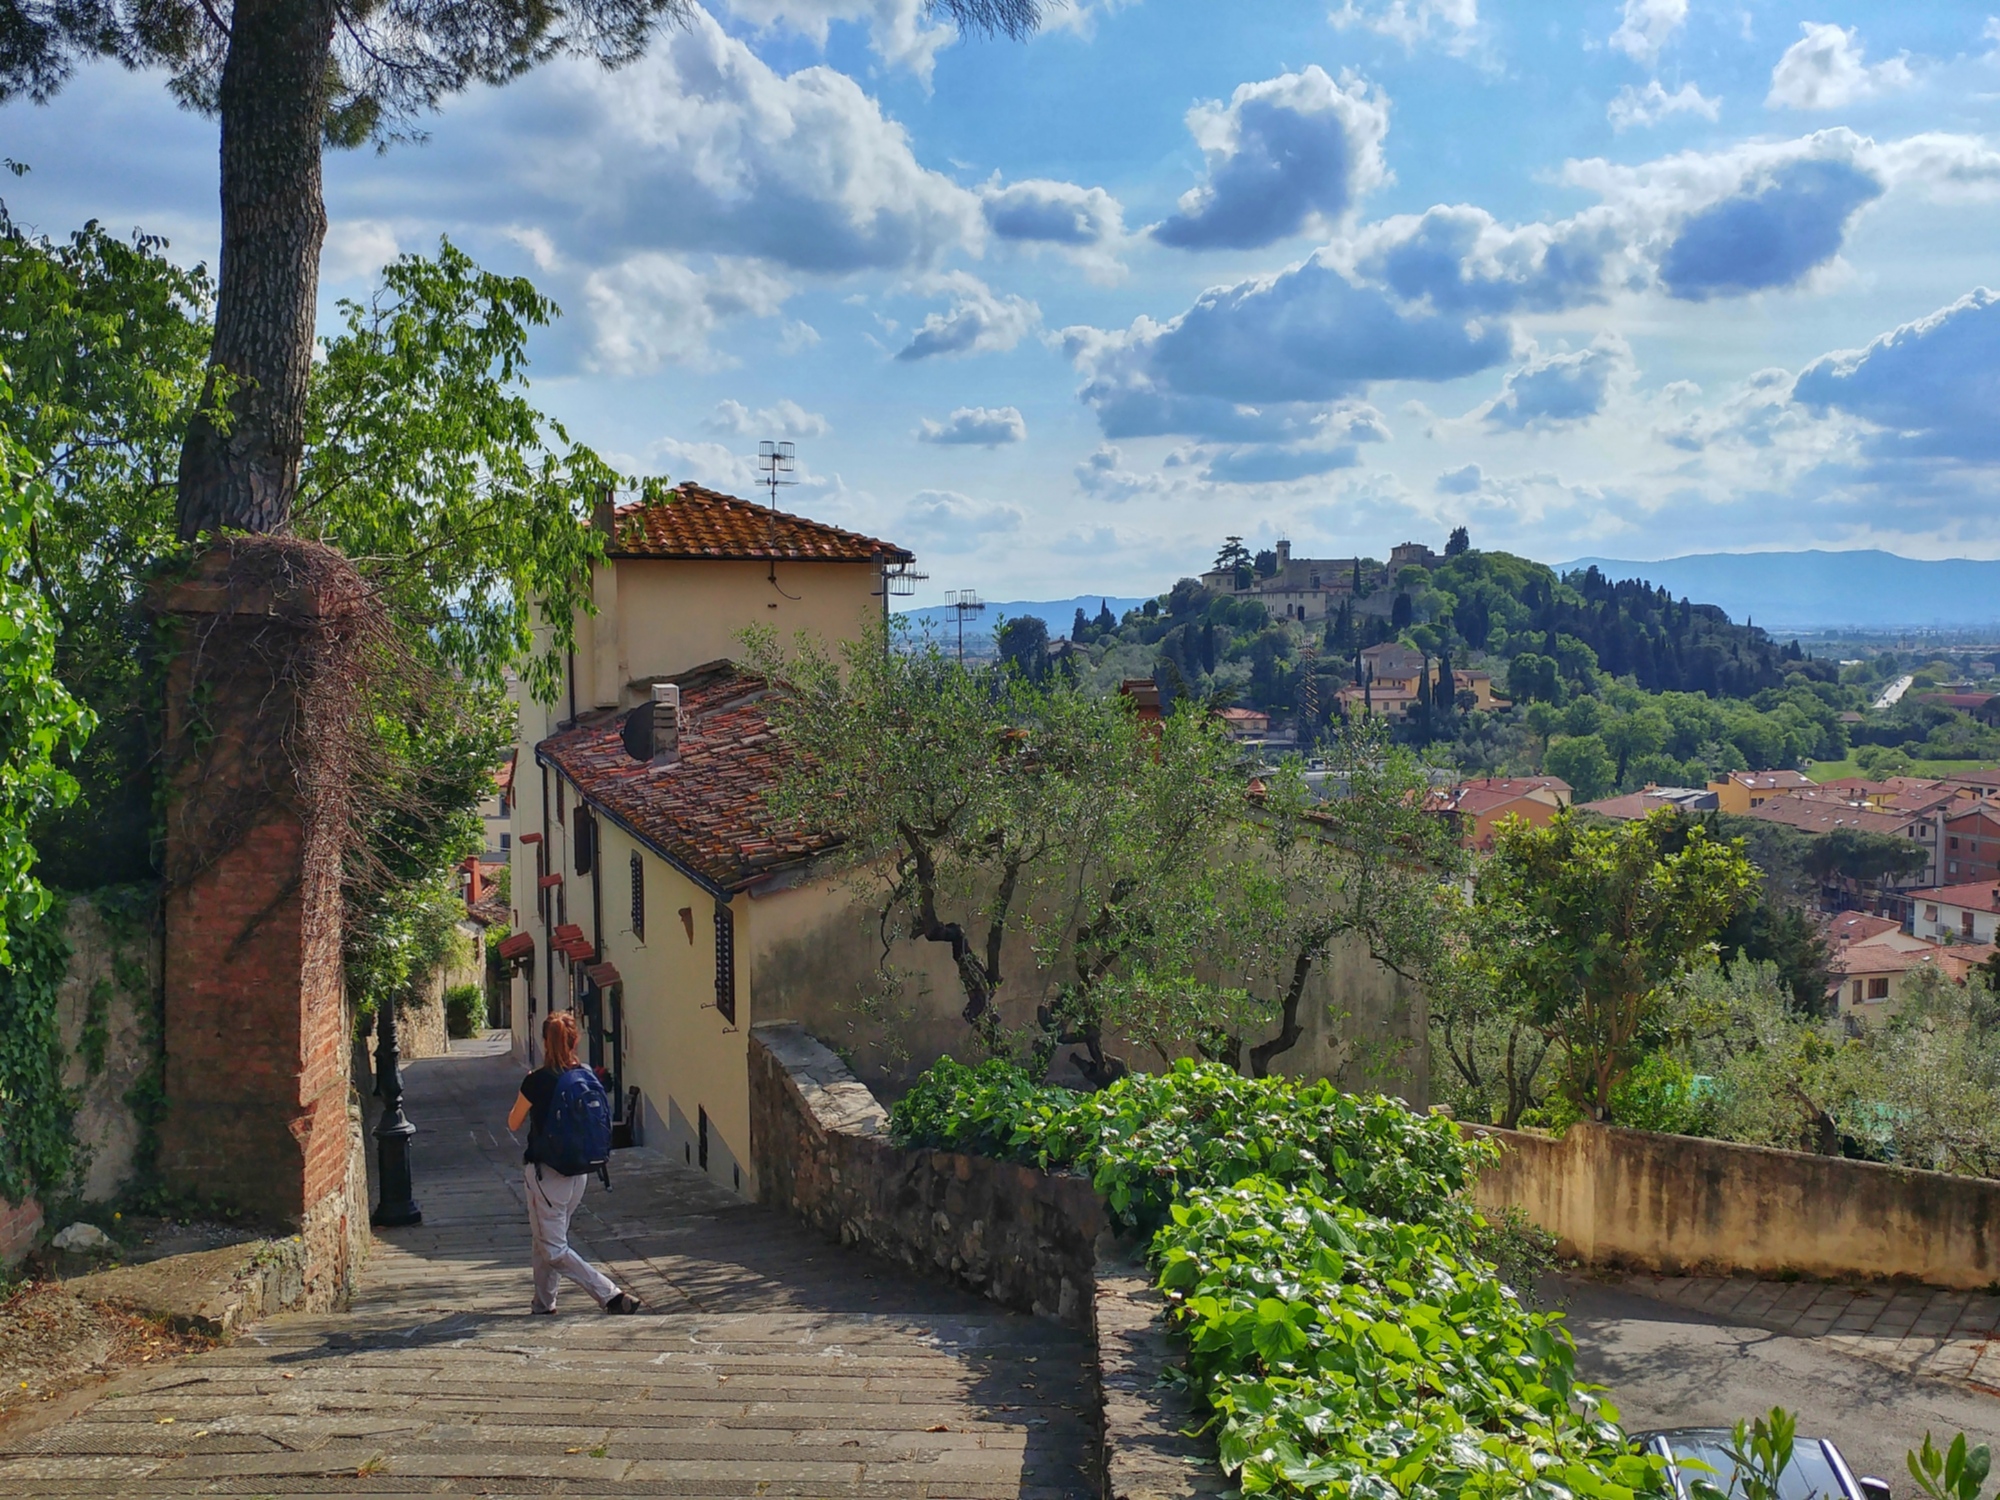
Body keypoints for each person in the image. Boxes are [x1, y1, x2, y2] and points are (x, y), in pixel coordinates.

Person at [506, 1012, 642, 1315]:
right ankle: (543, 1303)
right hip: (580, 1171)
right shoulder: (583, 1073)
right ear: (573, 1040)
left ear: (544, 1041)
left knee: (553, 1248)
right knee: (544, 1238)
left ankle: (611, 1294)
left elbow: (513, 1122)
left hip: (547, 1174)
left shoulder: (537, 1080)